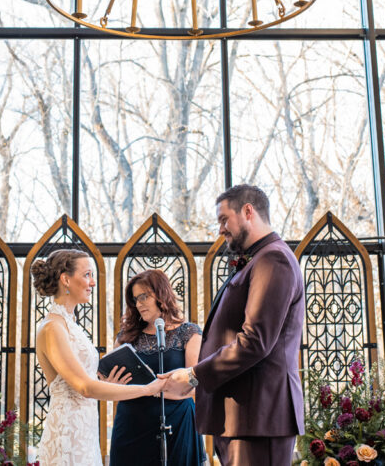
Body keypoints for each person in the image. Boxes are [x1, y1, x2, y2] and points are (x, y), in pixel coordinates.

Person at [161, 185, 305, 466]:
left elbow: (255, 341)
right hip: (243, 417)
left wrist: (194, 376)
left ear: (248, 211)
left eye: (224, 219)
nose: (220, 230)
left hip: (258, 416)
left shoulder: (273, 259)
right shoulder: (258, 260)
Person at [31, 249, 164, 466]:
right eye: (87, 275)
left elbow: (86, 386)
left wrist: (106, 384)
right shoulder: (52, 328)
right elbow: (84, 387)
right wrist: (148, 389)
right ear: (66, 279)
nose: (93, 282)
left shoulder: (70, 325)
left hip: (85, 430)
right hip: (68, 434)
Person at [108, 270, 204, 466]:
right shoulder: (126, 337)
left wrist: (153, 391)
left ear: (161, 294)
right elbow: (113, 389)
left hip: (178, 423)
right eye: (135, 299)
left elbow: (196, 383)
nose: (139, 303)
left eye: (144, 296)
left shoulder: (189, 332)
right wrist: (111, 385)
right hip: (131, 424)